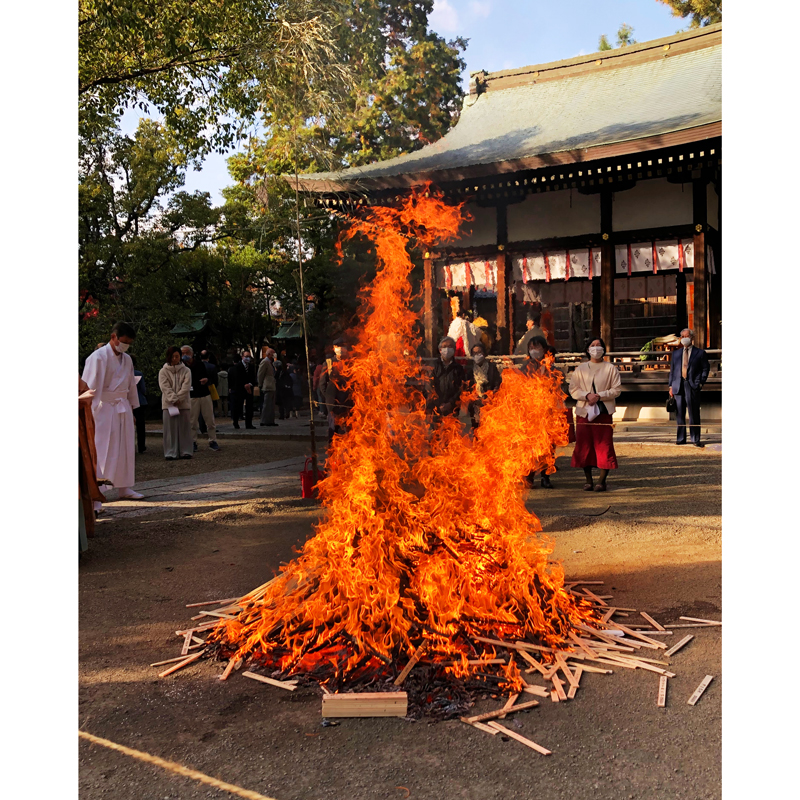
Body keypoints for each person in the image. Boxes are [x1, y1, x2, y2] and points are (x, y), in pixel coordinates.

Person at [81, 321, 144, 505]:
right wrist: (88, 413)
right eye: (123, 341)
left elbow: (131, 386)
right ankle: (97, 494)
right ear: (113, 337)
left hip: (122, 407)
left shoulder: (128, 359)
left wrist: (132, 408)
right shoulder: (97, 357)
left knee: (125, 448)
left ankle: (124, 486)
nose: (125, 346)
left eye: (129, 343)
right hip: (104, 409)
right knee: (102, 450)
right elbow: (90, 387)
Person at [569, 338, 621, 492]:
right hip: (584, 411)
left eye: (599, 346)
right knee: (584, 445)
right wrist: (587, 395)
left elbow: (616, 389)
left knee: (604, 445)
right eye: (593, 345)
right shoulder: (580, 369)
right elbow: (573, 389)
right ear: (588, 349)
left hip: (604, 411)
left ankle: (601, 480)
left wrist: (599, 395)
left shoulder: (610, 368)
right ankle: (588, 480)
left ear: (604, 349)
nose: (596, 348)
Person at [519, 335, 559, 488]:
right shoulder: (525, 368)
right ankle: (528, 476)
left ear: (544, 350)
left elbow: (558, 389)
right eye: (531, 348)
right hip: (530, 413)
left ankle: (545, 476)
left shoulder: (552, 369)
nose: (534, 351)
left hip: (547, 412)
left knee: (547, 447)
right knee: (529, 447)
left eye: (537, 348)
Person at [668, 327, 710, 447]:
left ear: (692, 338)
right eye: (683, 337)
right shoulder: (676, 354)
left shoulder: (700, 353)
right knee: (680, 413)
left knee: (694, 413)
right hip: (678, 385)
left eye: (687, 336)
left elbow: (705, 369)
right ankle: (681, 438)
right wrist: (670, 386)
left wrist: (700, 382)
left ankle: (695, 438)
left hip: (692, 384)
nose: (685, 339)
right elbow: (672, 371)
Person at [182, 345, 220, 451]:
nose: (185, 355)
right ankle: (193, 441)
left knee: (209, 419)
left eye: (187, 353)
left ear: (191, 353)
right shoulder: (182, 367)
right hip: (191, 396)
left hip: (204, 393)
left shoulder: (200, 364)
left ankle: (212, 440)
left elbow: (209, 377)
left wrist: (206, 380)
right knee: (192, 421)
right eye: (183, 353)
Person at [158, 346, 193, 460]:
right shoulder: (163, 371)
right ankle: (170, 452)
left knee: (185, 428)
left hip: (183, 403)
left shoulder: (186, 370)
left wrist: (179, 398)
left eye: (177, 356)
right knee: (170, 429)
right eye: (172, 356)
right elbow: (164, 387)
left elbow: (186, 386)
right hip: (169, 404)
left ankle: (186, 451)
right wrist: (173, 398)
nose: (175, 359)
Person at [426, 336, 465, 421]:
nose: (447, 349)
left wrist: (450, 403)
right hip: (435, 407)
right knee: (435, 432)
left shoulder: (458, 368)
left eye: (450, 346)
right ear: (440, 350)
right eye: (444, 347)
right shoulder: (433, 366)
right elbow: (429, 385)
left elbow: (460, 389)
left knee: (452, 431)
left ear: (454, 349)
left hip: (452, 408)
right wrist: (438, 402)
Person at [465, 342, 501, 430]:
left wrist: (491, 395)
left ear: (484, 354)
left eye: (479, 352)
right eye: (475, 353)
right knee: (477, 429)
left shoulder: (492, 367)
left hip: (490, 402)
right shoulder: (469, 369)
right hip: (475, 404)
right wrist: (473, 397)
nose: (477, 355)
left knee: (489, 428)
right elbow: (466, 386)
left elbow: (498, 383)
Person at [324, 337, 354, 442]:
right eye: (338, 346)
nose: (340, 349)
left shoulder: (352, 363)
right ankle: (332, 451)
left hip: (348, 401)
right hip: (333, 403)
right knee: (333, 428)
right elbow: (322, 383)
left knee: (350, 428)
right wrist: (328, 397)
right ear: (334, 348)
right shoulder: (329, 363)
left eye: (342, 346)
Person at [230, 350, 257, 429]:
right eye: (246, 356)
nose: (247, 358)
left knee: (249, 407)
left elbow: (253, 378)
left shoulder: (251, 367)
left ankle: (249, 424)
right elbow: (236, 379)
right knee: (238, 407)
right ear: (242, 357)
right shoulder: (237, 366)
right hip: (239, 389)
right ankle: (236, 422)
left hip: (249, 389)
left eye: (249, 356)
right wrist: (244, 385)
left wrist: (250, 384)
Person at [258, 348, 278, 426]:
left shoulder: (271, 362)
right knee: (267, 404)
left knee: (271, 405)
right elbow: (260, 374)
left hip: (272, 385)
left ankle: (270, 420)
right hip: (267, 385)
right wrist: (260, 384)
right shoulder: (264, 362)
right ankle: (264, 420)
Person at [132, 358, 148, 454]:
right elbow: (143, 389)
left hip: (127, 402)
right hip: (140, 401)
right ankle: (141, 446)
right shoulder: (138, 374)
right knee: (141, 425)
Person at [275, 356, 294, 421]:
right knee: (286, 402)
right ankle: (286, 413)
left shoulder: (278, 373)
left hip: (281, 389)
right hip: (286, 389)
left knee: (281, 403)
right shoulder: (285, 372)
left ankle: (282, 415)